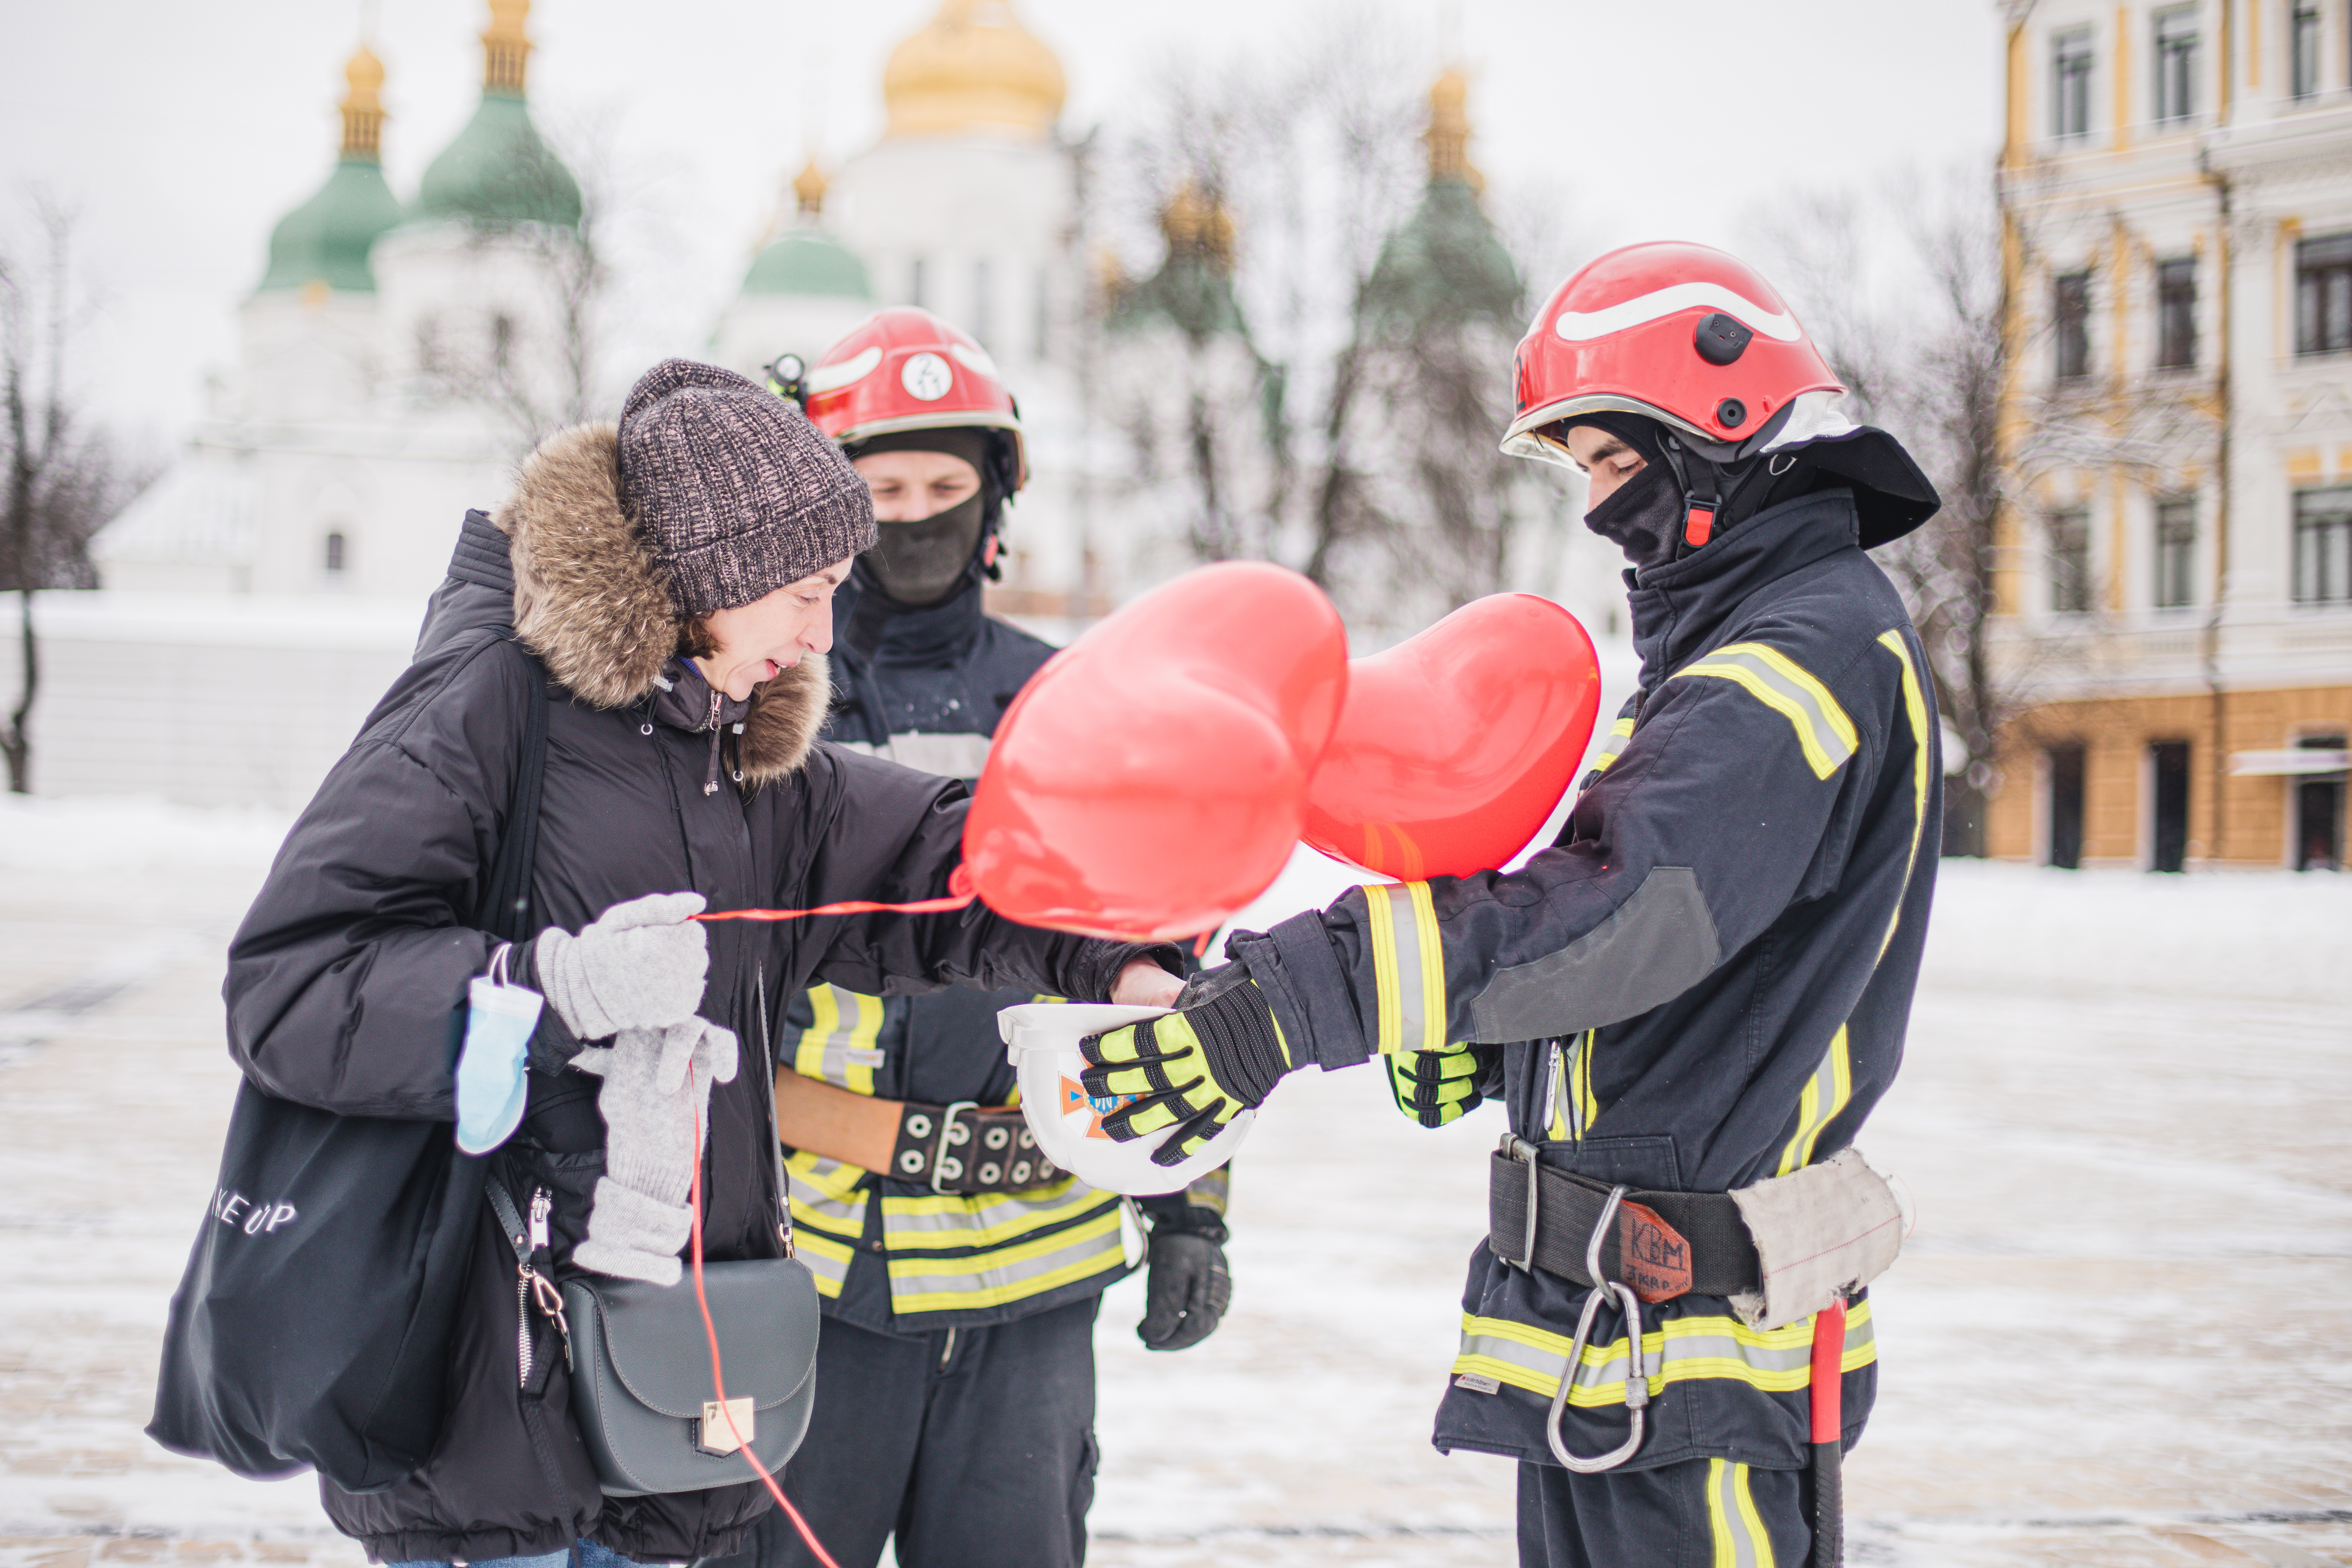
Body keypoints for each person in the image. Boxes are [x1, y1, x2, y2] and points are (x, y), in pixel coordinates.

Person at [225, 358, 1182, 1568]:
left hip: (662, 1392)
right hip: (479, 1385)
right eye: (805, 590)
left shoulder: (736, 762)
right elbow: (290, 988)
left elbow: (943, 860)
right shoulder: (487, 710)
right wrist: (543, 990)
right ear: (711, 573)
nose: (824, 632)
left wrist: (1120, 956)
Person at [1079, 242, 1945, 1567]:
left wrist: (1284, 1002)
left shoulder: (1802, 650)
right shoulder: (1737, 647)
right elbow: (1705, 974)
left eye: (1613, 462)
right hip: (1625, 1350)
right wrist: (1497, 1046)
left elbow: (1628, 912)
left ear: (1712, 431)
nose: (1601, 512)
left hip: (1705, 1363)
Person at [706, 308, 1234, 1568]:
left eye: (947, 484)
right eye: (880, 486)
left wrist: (1192, 1209)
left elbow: (1168, 965)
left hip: (1033, 1278)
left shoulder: (1082, 703)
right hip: (806, 1262)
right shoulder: (765, 699)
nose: (916, 513)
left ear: (995, 497)